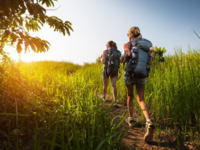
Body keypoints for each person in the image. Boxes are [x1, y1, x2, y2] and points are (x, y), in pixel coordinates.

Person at [120, 26, 155, 142]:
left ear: (130, 34)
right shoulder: (146, 46)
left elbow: (127, 56)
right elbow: (150, 59)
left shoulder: (128, 44)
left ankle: (130, 119)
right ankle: (148, 121)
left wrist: (122, 59)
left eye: (127, 34)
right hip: (142, 74)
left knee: (130, 95)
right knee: (141, 99)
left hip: (130, 73)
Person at [101, 41, 121, 107]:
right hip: (114, 70)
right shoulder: (117, 52)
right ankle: (115, 101)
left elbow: (103, 61)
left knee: (105, 85)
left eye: (106, 44)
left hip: (106, 69)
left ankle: (104, 97)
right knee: (114, 85)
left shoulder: (105, 52)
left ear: (108, 44)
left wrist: (101, 57)